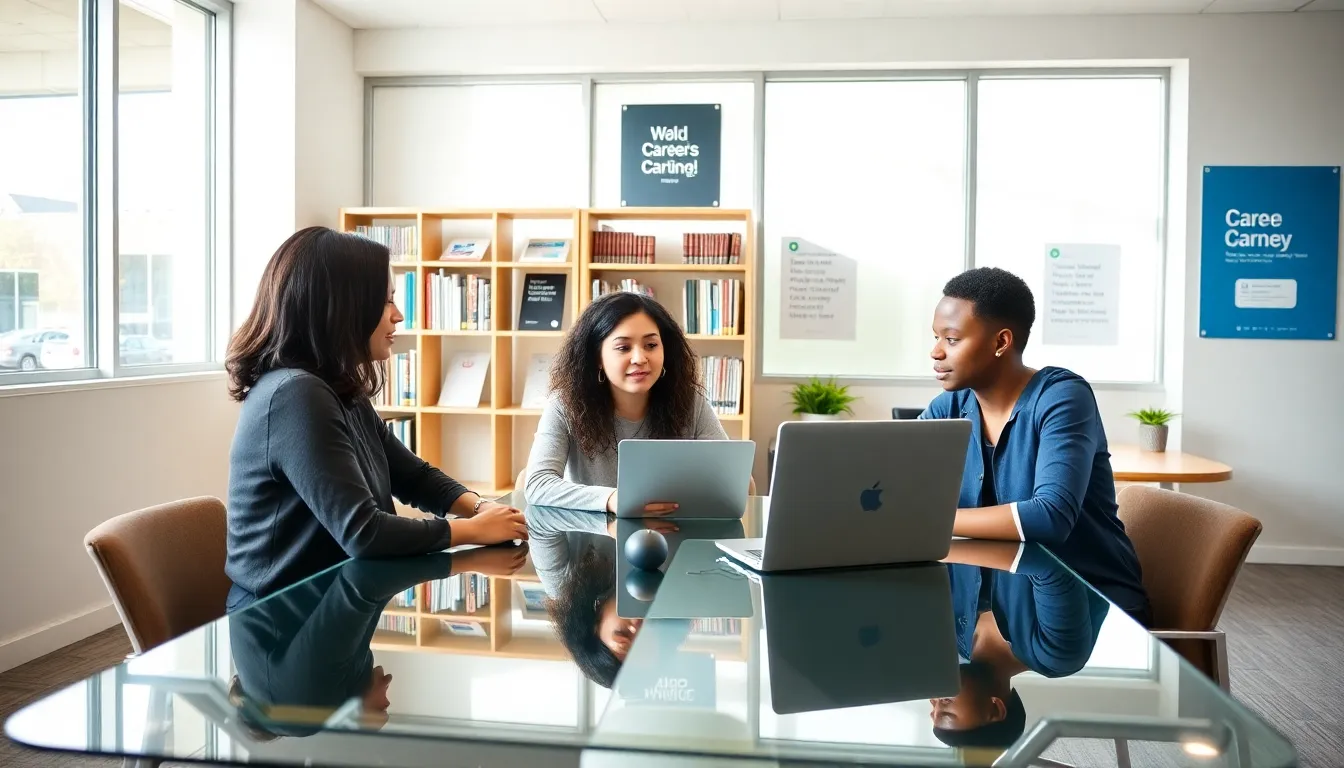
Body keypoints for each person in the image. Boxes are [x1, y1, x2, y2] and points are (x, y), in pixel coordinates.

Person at [224, 226, 526, 611]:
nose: (398, 316)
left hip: (332, 604)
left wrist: (479, 508)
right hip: (281, 619)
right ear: (340, 308)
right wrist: (471, 531)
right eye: (386, 302)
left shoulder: (335, 388)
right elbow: (364, 532)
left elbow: (412, 475)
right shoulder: (295, 395)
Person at [919, 266, 1151, 625]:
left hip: (1094, 606)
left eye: (951, 339)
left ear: (1001, 342)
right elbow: (897, 485)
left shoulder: (1062, 398)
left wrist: (929, 522)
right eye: (936, 337)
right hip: (1003, 597)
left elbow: (1049, 516)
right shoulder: (949, 407)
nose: (935, 352)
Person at [524, 291, 751, 513]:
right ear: (597, 357)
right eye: (623, 348)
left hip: (673, 533)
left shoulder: (690, 402)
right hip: (589, 534)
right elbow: (537, 484)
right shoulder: (565, 404)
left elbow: (734, 482)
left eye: (651, 345)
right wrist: (612, 499)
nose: (640, 358)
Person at [931, 539, 1109, 748]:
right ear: (995, 709)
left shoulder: (951, 634)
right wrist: (944, 549)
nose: (935, 700)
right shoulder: (1056, 655)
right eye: (946, 712)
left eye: (932, 708)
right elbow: (1049, 568)